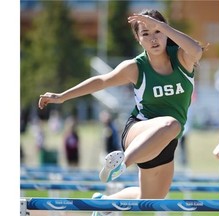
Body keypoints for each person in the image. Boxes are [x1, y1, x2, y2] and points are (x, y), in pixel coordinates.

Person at [38, 9, 206, 216]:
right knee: (171, 124)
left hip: (165, 142)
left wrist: (160, 25)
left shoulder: (181, 58)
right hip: (138, 132)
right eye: (146, 34)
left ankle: (104, 204)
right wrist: (63, 96)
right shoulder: (136, 67)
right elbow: (102, 81)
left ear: (166, 32)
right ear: (138, 39)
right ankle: (120, 164)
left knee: (150, 200)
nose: (153, 39)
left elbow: (197, 50)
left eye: (157, 32)